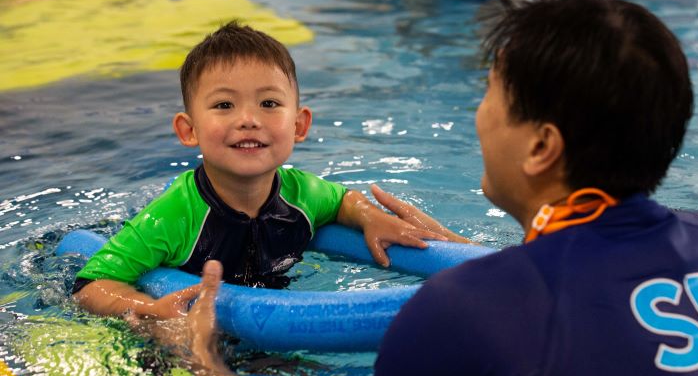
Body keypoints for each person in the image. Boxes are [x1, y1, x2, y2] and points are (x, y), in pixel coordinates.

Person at [191, 0, 698, 376]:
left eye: (490, 93)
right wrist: (461, 252)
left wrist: (211, 368)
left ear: (540, 146)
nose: (478, 114)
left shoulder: (464, 308)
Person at [72, 22, 454, 320]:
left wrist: (369, 216)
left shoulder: (301, 194)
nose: (249, 120)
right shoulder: (172, 217)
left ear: (299, 126)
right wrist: (151, 310)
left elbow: (342, 201)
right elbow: (91, 284)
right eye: (224, 105)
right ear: (189, 131)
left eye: (269, 103)